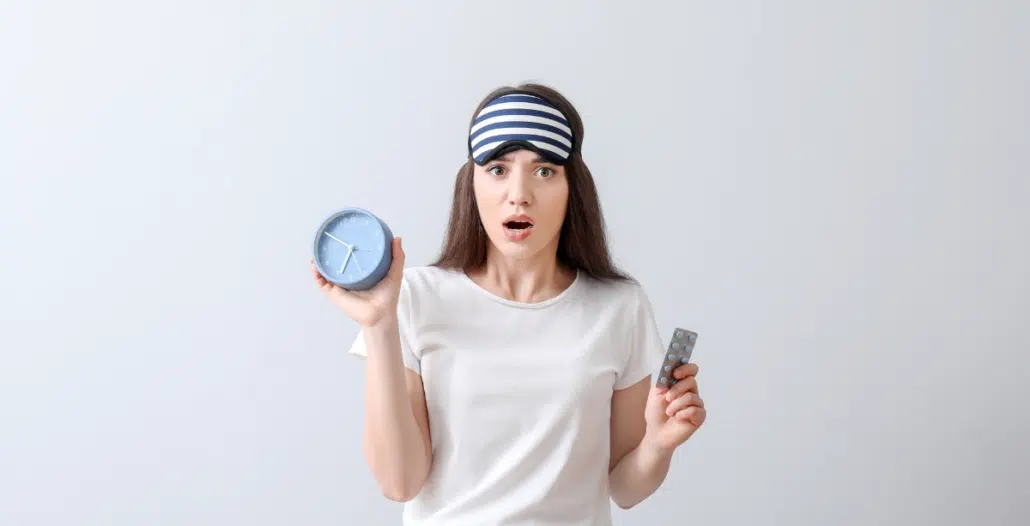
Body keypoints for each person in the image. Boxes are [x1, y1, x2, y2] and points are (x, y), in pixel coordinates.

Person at [311, 83, 706, 525]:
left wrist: (658, 443)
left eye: (543, 171)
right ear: (472, 184)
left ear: (572, 186)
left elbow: (624, 488)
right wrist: (381, 326)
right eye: (498, 169)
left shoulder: (619, 307)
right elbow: (399, 483)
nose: (519, 194)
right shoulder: (415, 297)